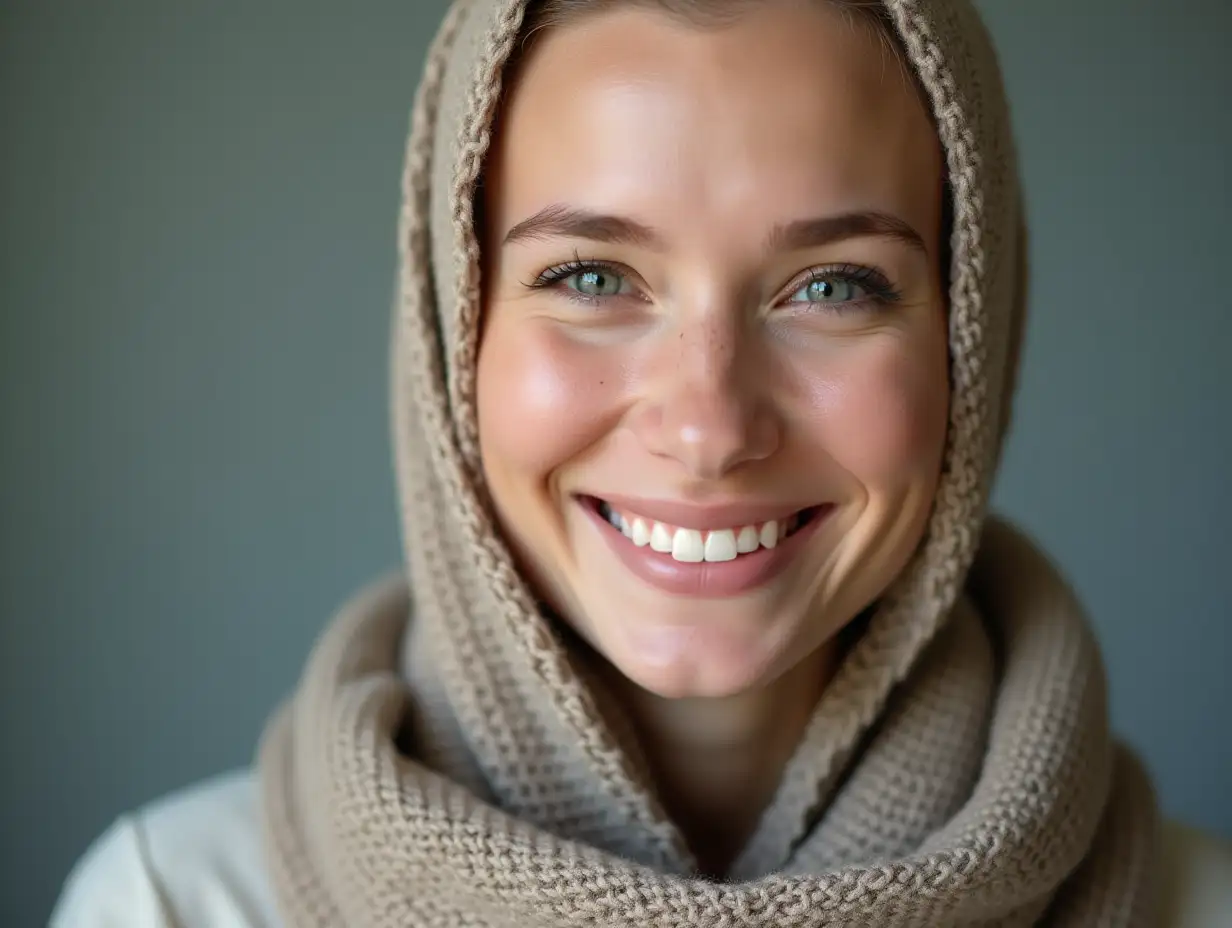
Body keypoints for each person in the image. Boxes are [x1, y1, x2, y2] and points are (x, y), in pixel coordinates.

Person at [51, 0, 1232, 925]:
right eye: (590, 279)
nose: (709, 425)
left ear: (971, 332)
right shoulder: (176, 905)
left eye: (830, 286)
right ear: (450, 329)